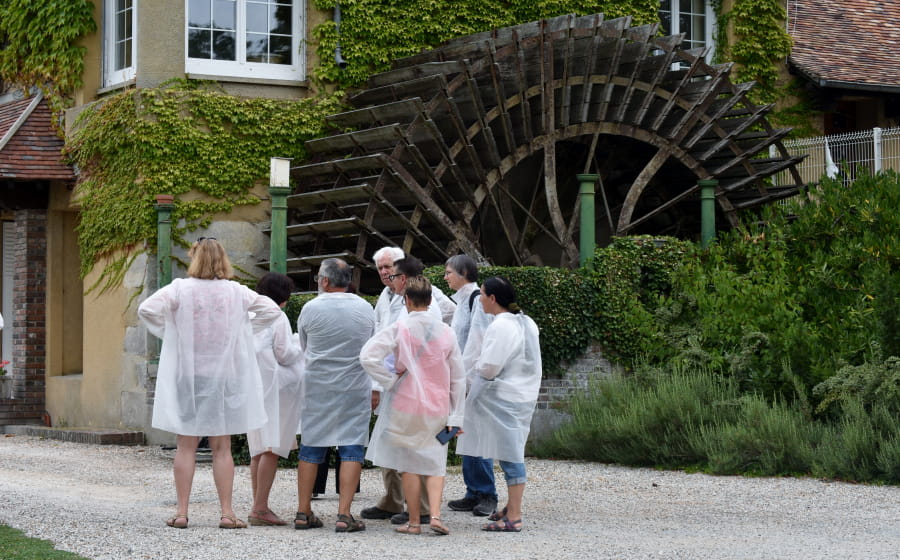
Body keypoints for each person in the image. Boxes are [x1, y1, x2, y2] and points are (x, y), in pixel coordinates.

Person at [138, 237, 283, 530]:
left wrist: (175, 331)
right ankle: (227, 513)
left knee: (186, 445)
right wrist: (240, 332)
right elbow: (272, 311)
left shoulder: (180, 288)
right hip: (223, 376)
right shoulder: (236, 291)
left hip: (188, 375)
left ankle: (181, 512)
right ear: (223, 259)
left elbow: (146, 309)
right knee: (222, 447)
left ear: (195, 257)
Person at [359, 276, 466, 536]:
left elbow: (367, 356)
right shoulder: (447, 331)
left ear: (406, 300)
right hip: (438, 405)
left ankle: (415, 522)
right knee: (435, 462)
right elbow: (458, 377)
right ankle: (436, 516)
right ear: (430, 301)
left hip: (404, 403)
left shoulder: (400, 327)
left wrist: (389, 380)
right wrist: (457, 414)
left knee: (408, 464)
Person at [455, 276, 542, 533]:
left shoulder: (501, 326)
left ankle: (514, 515)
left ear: (493, 299)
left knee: (511, 456)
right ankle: (509, 506)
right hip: (522, 395)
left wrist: (468, 391)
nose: (479, 299)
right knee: (510, 450)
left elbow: (490, 367)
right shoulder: (526, 321)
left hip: (504, 397)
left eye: (481, 294)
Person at [294, 258, 375, 533]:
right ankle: (344, 513)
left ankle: (303, 511)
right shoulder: (365, 307)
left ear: (325, 281)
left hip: (318, 385)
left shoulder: (310, 307)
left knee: (311, 447)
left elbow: (304, 345)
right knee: (352, 446)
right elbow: (372, 347)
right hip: (354, 384)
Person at [361, 254, 441, 526]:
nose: (387, 276)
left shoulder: (420, 304)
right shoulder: (390, 297)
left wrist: (384, 381)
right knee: (392, 441)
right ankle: (394, 498)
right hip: (398, 382)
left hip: (409, 384)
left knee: (411, 443)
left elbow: (383, 351)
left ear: (404, 279)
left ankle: (419, 504)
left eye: (391, 272)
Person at [443, 255, 499, 517]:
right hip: (462, 378)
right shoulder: (463, 301)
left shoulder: (476, 299)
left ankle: (487, 493)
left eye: (449, 272)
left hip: (473, 380)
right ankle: (472, 490)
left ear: (464, 272)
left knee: (478, 435)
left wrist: (464, 380)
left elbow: (476, 342)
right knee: (466, 435)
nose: (445, 277)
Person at [246, 272, 304, 526]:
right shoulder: (277, 316)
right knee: (271, 446)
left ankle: (258, 503)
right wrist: (300, 345)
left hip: (251, 385)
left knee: (258, 447)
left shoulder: (249, 314)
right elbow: (284, 354)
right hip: (274, 387)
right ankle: (260, 508)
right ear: (284, 297)